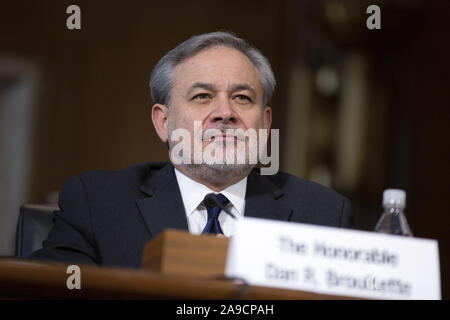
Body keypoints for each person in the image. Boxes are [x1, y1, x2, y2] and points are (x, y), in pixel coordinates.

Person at [30, 31, 354, 268]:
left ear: (265, 123)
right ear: (163, 121)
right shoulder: (97, 203)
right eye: (202, 96)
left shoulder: (322, 215)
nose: (225, 112)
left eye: (242, 97)